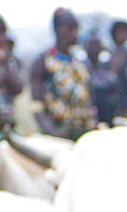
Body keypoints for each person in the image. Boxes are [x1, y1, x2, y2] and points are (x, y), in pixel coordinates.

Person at [29, 8, 95, 140]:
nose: (75, 33)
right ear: (58, 29)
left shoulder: (83, 62)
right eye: (70, 28)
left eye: (76, 28)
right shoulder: (43, 61)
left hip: (85, 131)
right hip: (58, 133)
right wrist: (52, 131)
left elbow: (90, 99)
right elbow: (37, 106)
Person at [82, 30, 120, 125]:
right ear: (85, 47)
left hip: (106, 116)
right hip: (87, 117)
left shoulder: (105, 66)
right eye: (91, 44)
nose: (94, 48)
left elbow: (114, 82)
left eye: (97, 45)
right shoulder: (80, 67)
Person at [0, 13, 24, 131]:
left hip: (7, 125)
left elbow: (18, 88)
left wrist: (5, 62)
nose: (2, 38)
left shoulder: (9, 61)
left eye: (4, 33)